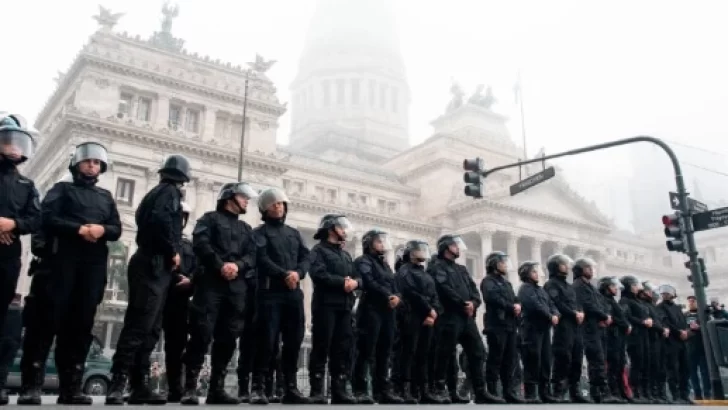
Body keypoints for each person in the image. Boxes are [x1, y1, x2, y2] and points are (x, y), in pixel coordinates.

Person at [18, 142, 121, 406]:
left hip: (92, 267)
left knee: (80, 326)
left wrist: (101, 231)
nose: (92, 165)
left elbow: (116, 228)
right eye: (88, 161)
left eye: (97, 163)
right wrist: (79, 230)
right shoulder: (61, 190)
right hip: (60, 264)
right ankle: (31, 386)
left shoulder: (105, 197)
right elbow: (47, 218)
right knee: (44, 323)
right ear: (77, 164)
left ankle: (71, 387)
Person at [106, 154, 191, 405]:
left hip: (154, 266)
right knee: (139, 325)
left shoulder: (155, 192)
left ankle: (137, 384)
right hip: (153, 264)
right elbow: (161, 222)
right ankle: (119, 383)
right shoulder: (170, 193)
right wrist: (172, 250)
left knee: (150, 328)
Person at [180, 182, 259, 405]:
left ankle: (217, 388)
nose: (246, 201)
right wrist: (220, 265)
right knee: (201, 333)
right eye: (243, 197)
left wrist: (238, 266)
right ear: (229, 198)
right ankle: (190, 388)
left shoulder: (246, 229)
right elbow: (201, 244)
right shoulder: (208, 219)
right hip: (210, 285)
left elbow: (252, 255)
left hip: (236, 289)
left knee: (228, 337)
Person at [248, 187, 310, 405]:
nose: (279, 206)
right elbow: (261, 259)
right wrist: (284, 274)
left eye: (282, 203)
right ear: (264, 208)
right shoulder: (258, 233)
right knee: (266, 340)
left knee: (294, 340)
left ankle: (290, 387)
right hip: (269, 292)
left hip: (293, 294)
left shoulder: (294, 233)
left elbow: (305, 258)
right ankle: (258, 387)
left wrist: (298, 273)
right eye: (274, 204)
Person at [430, 236, 499, 404]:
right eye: (454, 245)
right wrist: (462, 304)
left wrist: (474, 303)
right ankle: (442, 389)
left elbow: (474, 290)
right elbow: (444, 288)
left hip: (467, 318)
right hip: (449, 316)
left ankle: (480, 391)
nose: (458, 248)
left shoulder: (462, 269)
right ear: (446, 247)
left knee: (478, 352)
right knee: (445, 354)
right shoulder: (436, 267)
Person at [307, 214, 359, 404]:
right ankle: (317, 390)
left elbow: (357, 277)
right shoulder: (318, 250)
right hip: (325, 305)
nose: (344, 231)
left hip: (345, 308)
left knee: (342, 349)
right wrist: (342, 283)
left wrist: (355, 283)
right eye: (341, 227)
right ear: (331, 229)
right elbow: (318, 274)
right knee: (321, 346)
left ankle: (339, 390)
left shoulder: (345, 255)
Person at [351, 229, 403, 404]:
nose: (382, 244)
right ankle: (359, 389)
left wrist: (397, 297)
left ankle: (382, 390)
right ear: (369, 243)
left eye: (383, 241)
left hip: (388, 312)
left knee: (384, 351)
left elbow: (395, 284)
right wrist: (389, 295)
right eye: (378, 241)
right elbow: (369, 281)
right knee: (365, 350)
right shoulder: (362, 261)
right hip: (370, 309)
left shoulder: (386, 265)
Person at [0, 112, 40, 336]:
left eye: (17, 142)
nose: (14, 148)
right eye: (7, 142)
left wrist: (13, 224)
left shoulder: (26, 184)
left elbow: (35, 219)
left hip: (8, 256)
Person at [393, 241, 446, 404]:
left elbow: (435, 295)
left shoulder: (426, 274)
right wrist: (429, 309)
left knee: (424, 354)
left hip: (428, 318)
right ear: (410, 253)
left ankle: (423, 390)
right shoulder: (404, 270)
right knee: (408, 352)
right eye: (418, 250)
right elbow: (410, 293)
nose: (422, 252)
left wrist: (434, 312)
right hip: (411, 316)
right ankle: (405, 389)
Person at [571, 258, 620, 403]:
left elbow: (600, 303)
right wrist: (604, 316)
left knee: (600, 359)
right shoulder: (578, 286)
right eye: (587, 268)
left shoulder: (591, 286)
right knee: (596, 360)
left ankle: (599, 392)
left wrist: (605, 316)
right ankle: (601, 393)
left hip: (597, 327)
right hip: (588, 329)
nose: (591, 270)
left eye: (591, 267)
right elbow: (588, 305)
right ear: (580, 269)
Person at [543, 254, 588, 403]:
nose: (567, 266)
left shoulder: (569, 285)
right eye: (563, 264)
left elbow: (577, 302)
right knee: (563, 357)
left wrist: (580, 312)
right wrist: (574, 313)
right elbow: (558, 303)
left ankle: (574, 390)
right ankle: (558, 391)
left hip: (576, 325)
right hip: (563, 326)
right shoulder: (551, 284)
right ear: (555, 266)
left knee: (577, 357)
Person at [163, 201, 195, 402]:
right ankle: (134, 384)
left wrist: (191, 281)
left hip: (180, 299)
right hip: (157, 295)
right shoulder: (157, 240)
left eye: (182, 216)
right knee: (146, 338)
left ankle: (176, 388)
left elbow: (197, 268)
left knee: (176, 345)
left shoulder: (189, 246)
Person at [516, 261, 560, 403]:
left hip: (544, 329)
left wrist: (556, 314)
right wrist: (550, 316)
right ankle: (531, 393)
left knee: (546, 360)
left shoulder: (541, 290)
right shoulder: (525, 289)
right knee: (532, 359)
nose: (537, 274)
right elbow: (535, 306)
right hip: (531, 329)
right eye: (534, 271)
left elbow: (551, 304)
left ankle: (545, 392)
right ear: (526, 274)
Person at [481, 251, 521, 403]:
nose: (505, 265)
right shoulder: (488, 281)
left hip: (510, 325)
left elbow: (515, 298)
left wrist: (517, 305)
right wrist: (512, 307)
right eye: (502, 262)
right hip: (496, 325)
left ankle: (508, 391)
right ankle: (491, 390)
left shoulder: (507, 283)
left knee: (509, 360)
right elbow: (492, 298)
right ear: (494, 264)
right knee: (495, 359)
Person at [656, 284, 692, 404]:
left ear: (673, 294)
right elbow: (664, 321)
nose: (665, 295)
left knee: (685, 369)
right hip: (671, 343)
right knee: (673, 369)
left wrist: (686, 332)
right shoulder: (660, 307)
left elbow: (684, 322)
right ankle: (675, 395)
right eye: (663, 293)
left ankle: (684, 395)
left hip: (683, 342)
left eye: (667, 293)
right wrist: (678, 332)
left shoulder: (677, 308)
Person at [619, 275, 652, 404]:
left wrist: (648, 320)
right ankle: (635, 391)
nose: (637, 287)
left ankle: (645, 391)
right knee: (637, 363)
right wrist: (642, 322)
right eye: (634, 285)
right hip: (634, 336)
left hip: (644, 335)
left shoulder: (639, 301)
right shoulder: (625, 300)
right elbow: (627, 316)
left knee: (645, 363)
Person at [597, 276, 629, 403]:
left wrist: (626, 325)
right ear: (606, 287)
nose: (616, 289)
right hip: (611, 337)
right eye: (613, 286)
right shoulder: (604, 300)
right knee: (613, 365)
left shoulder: (613, 301)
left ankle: (621, 391)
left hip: (619, 337)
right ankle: (613, 391)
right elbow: (611, 318)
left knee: (620, 364)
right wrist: (624, 324)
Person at [685, 295, 711, 400]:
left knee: (705, 371)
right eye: (689, 301)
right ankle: (697, 394)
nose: (691, 303)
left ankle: (707, 393)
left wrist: (699, 327)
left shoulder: (704, 315)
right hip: (690, 346)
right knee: (692, 372)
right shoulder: (685, 315)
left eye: (693, 301)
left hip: (702, 347)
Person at [0, 294, 22, 405]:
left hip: (8, 339)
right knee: (5, 366)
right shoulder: (18, 311)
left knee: (4, 366)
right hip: (12, 340)